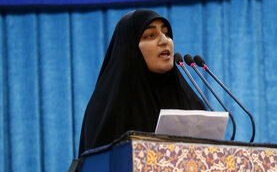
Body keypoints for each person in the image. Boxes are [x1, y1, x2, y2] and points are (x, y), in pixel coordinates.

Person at [78, 9, 205, 154]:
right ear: (129, 48)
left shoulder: (191, 102)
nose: (164, 41)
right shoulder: (108, 109)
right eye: (150, 35)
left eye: (167, 33)